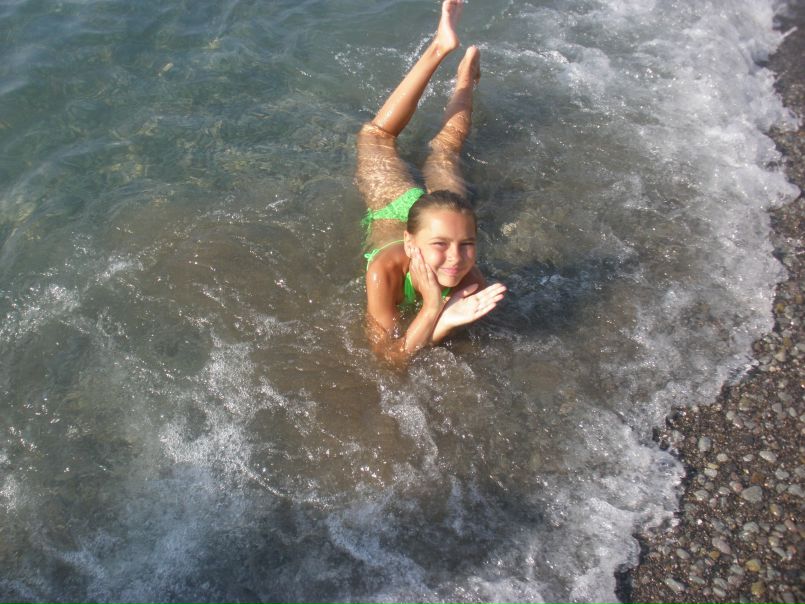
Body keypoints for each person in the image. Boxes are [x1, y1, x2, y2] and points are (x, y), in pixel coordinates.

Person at [356, 0, 506, 363]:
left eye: (467, 244)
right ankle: (441, 50)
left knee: (437, 148)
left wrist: (439, 318)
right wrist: (435, 310)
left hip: (443, 214)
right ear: (410, 243)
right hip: (397, 207)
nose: (456, 259)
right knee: (395, 140)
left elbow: (396, 358)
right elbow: (389, 360)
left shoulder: (471, 279)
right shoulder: (383, 271)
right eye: (441, 246)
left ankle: (465, 79)